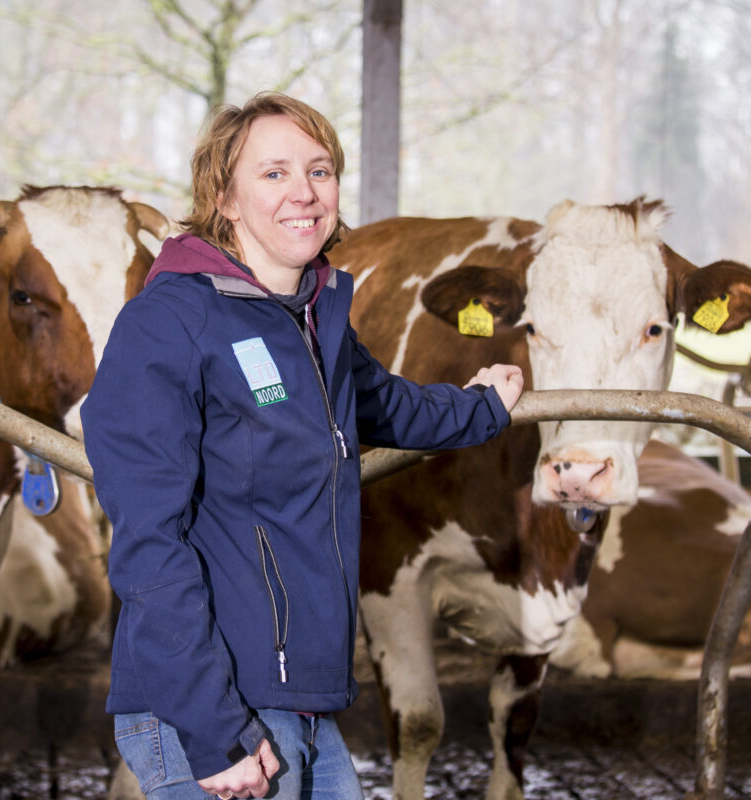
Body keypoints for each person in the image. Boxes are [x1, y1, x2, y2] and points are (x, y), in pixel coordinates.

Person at [81, 91, 523, 800]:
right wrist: (214, 729)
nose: (304, 193)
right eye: (274, 173)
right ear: (223, 196)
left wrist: (483, 408)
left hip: (299, 701)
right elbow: (147, 544)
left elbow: (385, 405)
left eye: (320, 171)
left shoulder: (312, 319)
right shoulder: (168, 324)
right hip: (214, 708)